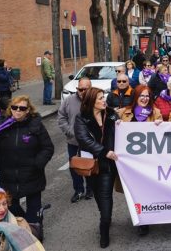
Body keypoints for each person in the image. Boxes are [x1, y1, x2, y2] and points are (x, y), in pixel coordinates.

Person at [0, 95, 54, 226]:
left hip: (32, 176)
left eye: (22, 108)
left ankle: (35, 235)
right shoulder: (2, 125)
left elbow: (47, 147)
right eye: (14, 107)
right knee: (12, 212)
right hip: (8, 177)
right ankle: (22, 231)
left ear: (28, 110)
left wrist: (38, 163)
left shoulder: (36, 125)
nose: (18, 110)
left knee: (34, 215)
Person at [74, 87, 119, 248]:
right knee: (99, 197)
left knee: (106, 197)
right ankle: (104, 215)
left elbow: (121, 134)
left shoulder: (112, 114)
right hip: (91, 165)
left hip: (108, 166)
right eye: (100, 98)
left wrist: (120, 125)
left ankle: (104, 229)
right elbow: (84, 139)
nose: (103, 100)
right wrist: (104, 151)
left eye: (103, 97)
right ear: (91, 102)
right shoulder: (81, 118)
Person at [57, 78, 93, 203]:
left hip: (90, 142)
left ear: (90, 88)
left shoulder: (95, 100)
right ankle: (78, 190)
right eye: (80, 89)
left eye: (85, 89)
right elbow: (61, 118)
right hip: (73, 141)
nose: (82, 92)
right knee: (74, 167)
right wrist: (70, 132)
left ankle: (90, 189)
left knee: (90, 165)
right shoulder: (68, 100)